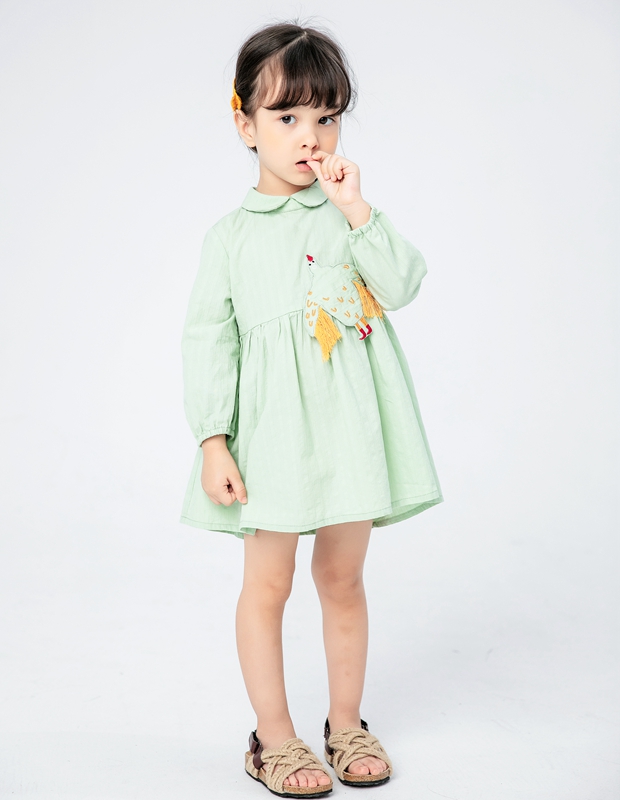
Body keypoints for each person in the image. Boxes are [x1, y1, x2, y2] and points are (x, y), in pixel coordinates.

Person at [179, 19, 443, 798]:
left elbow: (402, 284)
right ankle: (274, 737)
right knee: (268, 583)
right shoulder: (229, 239)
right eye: (287, 116)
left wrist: (356, 208)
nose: (309, 136)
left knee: (342, 577)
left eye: (326, 117)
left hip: (348, 431)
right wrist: (213, 438)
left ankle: (346, 722)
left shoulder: (347, 217)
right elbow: (208, 340)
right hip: (271, 439)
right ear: (245, 124)